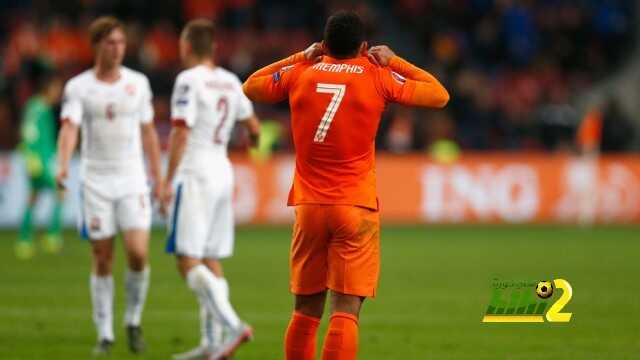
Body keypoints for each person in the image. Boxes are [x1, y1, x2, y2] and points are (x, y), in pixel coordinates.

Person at [243, 11, 449, 360]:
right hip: (355, 208)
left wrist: (299, 56)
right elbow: (439, 95)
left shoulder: (300, 72)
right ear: (364, 47)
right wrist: (395, 60)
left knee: (305, 310)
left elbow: (251, 85)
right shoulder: (376, 75)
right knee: (345, 310)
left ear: (323, 45)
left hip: (309, 208)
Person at [56, 16, 163, 355]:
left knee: (138, 252)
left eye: (121, 43)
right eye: (110, 43)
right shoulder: (78, 87)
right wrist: (62, 164)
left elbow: (148, 132)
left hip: (132, 178)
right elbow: (70, 127)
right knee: (102, 256)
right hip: (95, 180)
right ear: (96, 46)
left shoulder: (138, 83)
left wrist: (158, 178)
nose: (117, 49)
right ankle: (104, 332)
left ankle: (132, 320)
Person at [160, 19, 260, 360]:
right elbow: (254, 128)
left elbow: (180, 132)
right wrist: (255, 139)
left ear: (186, 46)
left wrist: (166, 179)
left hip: (195, 171)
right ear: (214, 48)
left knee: (187, 260)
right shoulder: (231, 81)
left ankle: (233, 326)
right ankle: (211, 344)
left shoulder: (188, 80)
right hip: (223, 170)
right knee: (210, 259)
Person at [16, 62, 64, 259]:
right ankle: (52, 236)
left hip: (32, 158)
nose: (58, 93)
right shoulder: (41, 108)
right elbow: (32, 134)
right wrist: (36, 156)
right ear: (48, 89)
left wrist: (28, 155)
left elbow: (26, 132)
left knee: (33, 197)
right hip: (41, 158)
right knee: (61, 192)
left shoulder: (32, 105)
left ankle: (24, 240)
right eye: (56, 89)